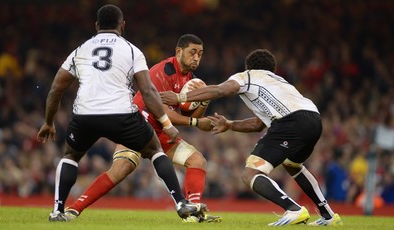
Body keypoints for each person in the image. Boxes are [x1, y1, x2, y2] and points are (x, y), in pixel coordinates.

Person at [36, 4, 207, 222]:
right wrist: (167, 123)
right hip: (122, 114)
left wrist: (49, 122)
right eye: (193, 52)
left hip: (85, 113)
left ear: (96, 25)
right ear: (122, 25)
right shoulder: (132, 50)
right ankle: (181, 203)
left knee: (70, 156)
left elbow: (56, 89)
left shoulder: (80, 50)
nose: (197, 58)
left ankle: (57, 211)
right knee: (154, 150)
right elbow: (147, 91)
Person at [161, 49, 343, 226]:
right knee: (292, 164)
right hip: (314, 119)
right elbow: (258, 124)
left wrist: (179, 97)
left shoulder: (246, 76)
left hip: (291, 122)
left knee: (251, 173)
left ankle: (293, 209)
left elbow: (220, 90)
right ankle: (329, 216)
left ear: (249, 67)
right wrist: (230, 124)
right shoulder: (279, 81)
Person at [64, 34, 221, 223]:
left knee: (197, 160)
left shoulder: (191, 80)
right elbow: (161, 110)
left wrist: (203, 102)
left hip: (162, 131)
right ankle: (74, 209)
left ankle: (193, 214)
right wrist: (195, 123)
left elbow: (188, 117)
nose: (196, 57)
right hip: (137, 126)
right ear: (179, 51)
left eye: (200, 54)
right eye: (192, 52)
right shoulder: (163, 70)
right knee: (121, 168)